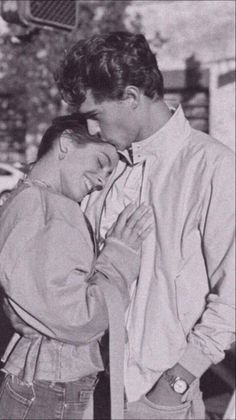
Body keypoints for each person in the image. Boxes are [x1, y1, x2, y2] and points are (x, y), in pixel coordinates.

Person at [54, 32, 235, 420]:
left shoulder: (213, 167)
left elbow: (233, 297)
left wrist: (174, 387)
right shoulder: (103, 166)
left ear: (132, 97)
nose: (94, 129)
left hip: (158, 399)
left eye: (95, 115)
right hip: (83, 393)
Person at [0, 115, 153, 420]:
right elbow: (79, 319)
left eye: (108, 174)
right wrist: (119, 256)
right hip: (49, 386)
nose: (100, 180)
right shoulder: (40, 208)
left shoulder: (37, 202)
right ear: (66, 143)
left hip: (47, 381)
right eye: (99, 162)